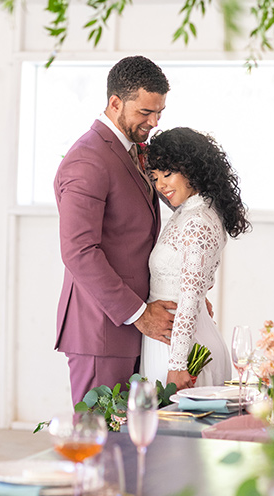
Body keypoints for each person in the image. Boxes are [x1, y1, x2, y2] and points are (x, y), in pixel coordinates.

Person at [54, 56, 177, 406]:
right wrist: (139, 315)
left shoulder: (133, 151)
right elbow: (79, 251)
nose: (153, 122)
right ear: (115, 103)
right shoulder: (88, 159)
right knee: (99, 443)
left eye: (159, 113)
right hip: (101, 332)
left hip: (132, 329)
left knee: (129, 443)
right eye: (145, 113)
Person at [140, 127, 251, 390]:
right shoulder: (189, 212)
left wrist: (178, 365)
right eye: (155, 177)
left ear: (193, 170)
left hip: (182, 351)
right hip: (172, 338)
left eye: (168, 174)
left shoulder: (197, 220)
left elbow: (188, 300)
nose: (161, 185)